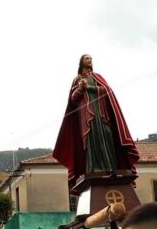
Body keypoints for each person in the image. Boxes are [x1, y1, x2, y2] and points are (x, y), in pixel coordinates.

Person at [52, 54, 140, 190]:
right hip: (86, 117)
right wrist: (80, 88)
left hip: (102, 114)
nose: (90, 60)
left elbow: (107, 90)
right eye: (87, 58)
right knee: (91, 140)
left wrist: (90, 88)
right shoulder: (77, 80)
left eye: (91, 59)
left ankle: (110, 167)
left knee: (107, 136)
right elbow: (73, 100)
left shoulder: (97, 77)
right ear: (81, 62)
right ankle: (93, 168)